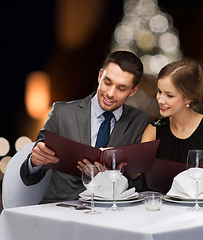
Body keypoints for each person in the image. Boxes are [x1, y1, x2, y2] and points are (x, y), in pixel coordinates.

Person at [20, 51, 149, 203]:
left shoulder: (139, 120)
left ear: (133, 91)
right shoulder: (61, 113)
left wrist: (114, 176)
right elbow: (29, 178)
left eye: (121, 89)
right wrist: (34, 162)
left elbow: (141, 185)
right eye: (107, 82)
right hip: (61, 209)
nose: (110, 93)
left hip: (111, 211)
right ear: (100, 75)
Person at [141, 59, 203, 193]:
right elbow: (139, 175)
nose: (160, 99)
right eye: (159, 91)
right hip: (169, 209)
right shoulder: (153, 130)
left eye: (169, 95)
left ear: (188, 98)